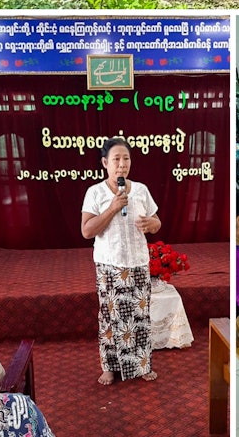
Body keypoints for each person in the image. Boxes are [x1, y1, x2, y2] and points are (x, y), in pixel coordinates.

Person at [80, 136, 161, 384]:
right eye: (116, 159)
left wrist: (152, 224)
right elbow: (87, 230)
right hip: (109, 265)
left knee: (140, 315)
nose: (122, 164)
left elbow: (157, 222)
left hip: (137, 263)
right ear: (105, 163)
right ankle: (109, 366)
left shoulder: (141, 190)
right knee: (109, 316)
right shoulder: (95, 192)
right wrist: (113, 208)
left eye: (126, 158)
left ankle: (142, 364)